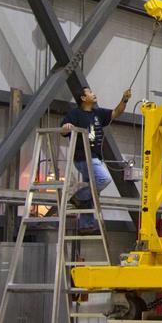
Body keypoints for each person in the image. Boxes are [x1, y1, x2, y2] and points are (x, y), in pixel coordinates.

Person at [61, 85, 130, 231]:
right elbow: (63, 130)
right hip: (83, 157)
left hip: (95, 157)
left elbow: (116, 112)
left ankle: (86, 225)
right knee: (103, 179)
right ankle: (78, 198)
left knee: (92, 190)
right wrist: (66, 127)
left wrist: (124, 100)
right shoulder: (75, 114)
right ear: (83, 98)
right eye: (90, 92)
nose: (94, 93)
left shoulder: (98, 113)